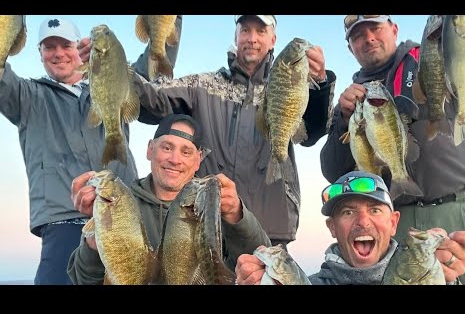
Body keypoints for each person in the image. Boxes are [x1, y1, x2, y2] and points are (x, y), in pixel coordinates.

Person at [90, 14, 335, 249]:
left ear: (273, 40)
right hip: (205, 225)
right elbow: (151, 101)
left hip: (269, 227)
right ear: (236, 35)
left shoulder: (289, 84)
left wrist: (322, 84)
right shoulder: (203, 85)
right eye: (245, 30)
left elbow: (312, 131)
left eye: (261, 31)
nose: (252, 38)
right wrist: (110, 65)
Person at [319, 15, 465, 284]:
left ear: (394, 29)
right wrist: (343, 123)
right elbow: (332, 170)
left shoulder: (433, 58)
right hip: (398, 225)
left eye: (375, 28)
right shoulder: (351, 102)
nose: (368, 38)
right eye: (358, 35)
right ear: (350, 48)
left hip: (463, 210)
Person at [0, 17, 142, 285]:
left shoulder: (113, 82)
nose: (58, 53)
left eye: (65, 45)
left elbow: (153, 63)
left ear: (82, 48)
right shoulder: (26, 95)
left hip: (123, 213)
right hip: (63, 220)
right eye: (49, 47)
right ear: (39, 54)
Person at [67, 113, 271, 285]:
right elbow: (83, 279)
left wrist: (236, 214)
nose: (174, 159)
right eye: (166, 147)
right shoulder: (121, 202)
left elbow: (263, 260)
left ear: (198, 159)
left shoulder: (214, 205)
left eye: (186, 151)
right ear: (150, 149)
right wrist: (98, 235)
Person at [235, 171, 465, 285]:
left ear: (393, 222)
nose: (363, 222)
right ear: (332, 227)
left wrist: (449, 280)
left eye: (374, 210)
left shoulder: (428, 271)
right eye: (348, 212)